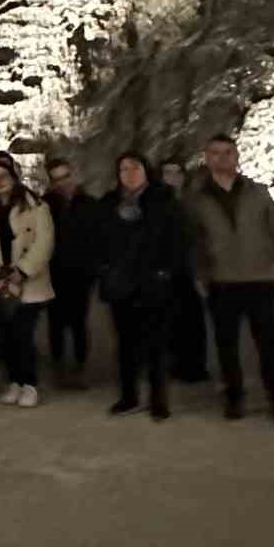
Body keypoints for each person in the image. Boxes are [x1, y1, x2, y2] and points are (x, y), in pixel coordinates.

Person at [186, 135, 274, 424]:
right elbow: (195, 242)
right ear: (207, 158)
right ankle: (234, 397)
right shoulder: (197, 200)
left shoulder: (258, 193)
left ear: (236, 156)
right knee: (226, 344)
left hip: (259, 277)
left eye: (227, 152)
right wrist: (199, 275)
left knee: (269, 345)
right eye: (215, 153)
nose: (222, 158)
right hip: (221, 281)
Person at [94, 152, 186, 421]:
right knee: (125, 344)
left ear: (146, 170)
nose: (129, 173)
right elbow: (98, 240)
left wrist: (166, 271)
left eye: (135, 168)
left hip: (153, 283)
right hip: (120, 285)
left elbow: (178, 240)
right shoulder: (109, 203)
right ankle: (128, 396)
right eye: (123, 169)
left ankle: (159, 400)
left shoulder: (163, 200)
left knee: (156, 345)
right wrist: (105, 269)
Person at [0, 152, 55, 408]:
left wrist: (23, 270)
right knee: (6, 334)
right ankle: (14, 381)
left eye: (3, 175)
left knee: (22, 334)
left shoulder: (36, 205)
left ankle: (29, 383)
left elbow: (44, 242)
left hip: (28, 281)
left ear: (14, 177)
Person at [44, 158, 102, 387]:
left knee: (78, 321)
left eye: (65, 176)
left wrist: (94, 269)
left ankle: (79, 368)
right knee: (55, 322)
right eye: (57, 179)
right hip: (54, 272)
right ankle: (58, 367)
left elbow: (98, 239)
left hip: (81, 273)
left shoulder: (89, 204)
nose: (62, 183)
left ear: (73, 175)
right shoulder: (45, 205)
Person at [160, 155, 210, 383]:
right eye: (167, 173)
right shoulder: (157, 203)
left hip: (190, 269)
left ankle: (194, 365)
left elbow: (202, 236)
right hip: (167, 269)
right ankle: (174, 363)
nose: (172, 178)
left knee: (193, 320)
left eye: (176, 173)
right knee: (169, 319)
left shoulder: (193, 202)